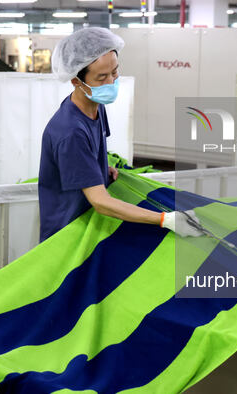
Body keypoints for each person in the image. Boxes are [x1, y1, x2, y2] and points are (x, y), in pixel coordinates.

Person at [38, 27, 202, 242]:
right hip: (67, 234)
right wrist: (165, 220)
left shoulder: (94, 106)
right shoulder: (70, 132)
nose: (111, 82)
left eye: (114, 72)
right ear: (76, 81)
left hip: (89, 222)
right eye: (102, 77)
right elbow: (100, 201)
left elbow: (87, 153)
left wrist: (97, 167)